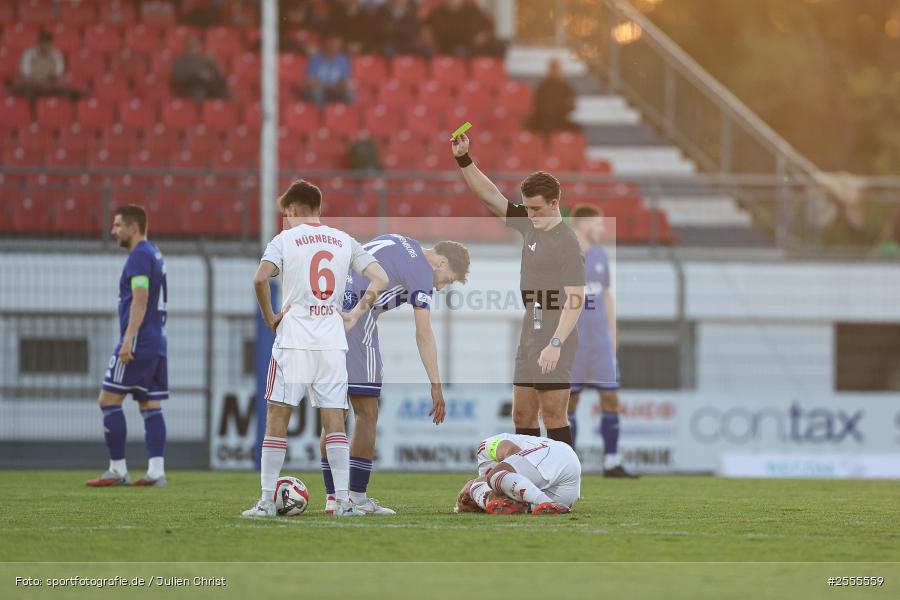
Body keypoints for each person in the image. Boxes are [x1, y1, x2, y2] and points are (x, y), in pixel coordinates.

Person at [241, 180, 389, 518]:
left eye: (285, 213)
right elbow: (379, 277)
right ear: (318, 208)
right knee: (334, 420)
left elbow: (260, 279)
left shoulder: (284, 239)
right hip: (331, 340)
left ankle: (266, 502)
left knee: (278, 417)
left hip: (294, 337)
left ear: (292, 209)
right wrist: (356, 311)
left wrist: (271, 317)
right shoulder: (343, 239)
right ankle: (343, 502)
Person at [320, 234, 471, 514]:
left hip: (328, 305)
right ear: (442, 261)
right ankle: (356, 497)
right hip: (356, 315)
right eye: (447, 279)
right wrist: (436, 385)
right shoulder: (423, 273)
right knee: (367, 412)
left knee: (335, 410)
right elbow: (423, 333)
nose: (441, 286)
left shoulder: (402, 241)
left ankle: (333, 497)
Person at [451, 133, 585, 448]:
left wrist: (555, 343)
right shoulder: (529, 224)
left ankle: (562, 484)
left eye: (537, 208)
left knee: (553, 415)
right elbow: (489, 196)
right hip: (531, 328)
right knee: (522, 415)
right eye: (527, 208)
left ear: (555, 203)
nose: (531, 214)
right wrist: (463, 159)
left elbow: (576, 300)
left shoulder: (567, 242)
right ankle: (529, 484)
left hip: (556, 331)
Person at [85, 206, 169, 488]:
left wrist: (129, 338)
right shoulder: (154, 252)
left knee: (108, 400)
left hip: (140, 340)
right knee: (150, 404)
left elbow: (141, 297)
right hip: (157, 340)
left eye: (118, 225)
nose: (113, 231)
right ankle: (156, 473)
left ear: (133, 228)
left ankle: (117, 470)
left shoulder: (139, 255)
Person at [568, 205, 638, 478]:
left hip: (600, 344)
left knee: (610, 397)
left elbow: (606, 295)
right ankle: (569, 464)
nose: (602, 229)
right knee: (569, 403)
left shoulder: (600, 255)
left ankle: (611, 461)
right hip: (573, 344)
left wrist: (613, 335)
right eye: (598, 224)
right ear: (584, 225)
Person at [454, 432, 580, 515]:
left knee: (494, 477)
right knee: (498, 484)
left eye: (460, 500)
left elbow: (512, 451)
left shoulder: (484, 448)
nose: (464, 500)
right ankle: (548, 505)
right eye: (467, 505)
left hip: (553, 455)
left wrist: (476, 485)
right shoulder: (490, 484)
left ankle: (548, 504)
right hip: (563, 494)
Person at [12, 30, 80, 101]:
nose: (45, 46)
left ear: (51, 44)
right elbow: (26, 76)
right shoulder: (28, 54)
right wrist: (39, 84)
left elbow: (57, 76)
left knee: (64, 86)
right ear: (39, 43)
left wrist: (47, 84)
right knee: (19, 84)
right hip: (32, 84)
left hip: (49, 85)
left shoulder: (56, 55)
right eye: (43, 43)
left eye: (48, 44)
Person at [422, 0, 505, 57]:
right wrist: (428, 34)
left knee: (500, 45)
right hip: (447, 48)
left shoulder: (473, 11)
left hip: (473, 47)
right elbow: (425, 26)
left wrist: (483, 35)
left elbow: (488, 24)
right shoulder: (437, 13)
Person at [170, 36, 230, 102]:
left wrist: (214, 66)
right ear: (186, 46)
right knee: (199, 93)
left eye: (196, 44)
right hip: (191, 88)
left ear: (199, 46)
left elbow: (219, 77)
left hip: (209, 86)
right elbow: (179, 77)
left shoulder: (206, 59)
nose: (194, 47)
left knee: (227, 94)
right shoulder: (180, 61)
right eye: (191, 44)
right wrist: (197, 74)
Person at [529, 58, 580, 136]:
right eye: (554, 69)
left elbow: (572, 107)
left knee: (577, 129)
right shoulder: (543, 87)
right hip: (545, 121)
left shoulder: (566, 87)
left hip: (558, 121)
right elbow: (537, 105)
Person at [303, 34, 354, 106]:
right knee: (316, 92)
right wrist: (327, 86)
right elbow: (311, 81)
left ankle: (348, 114)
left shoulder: (343, 60)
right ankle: (320, 115)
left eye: (337, 43)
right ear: (326, 43)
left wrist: (339, 86)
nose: (334, 46)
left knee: (350, 91)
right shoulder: (315, 59)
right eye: (332, 42)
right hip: (320, 88)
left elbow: (345, 80)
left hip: (336, 89)